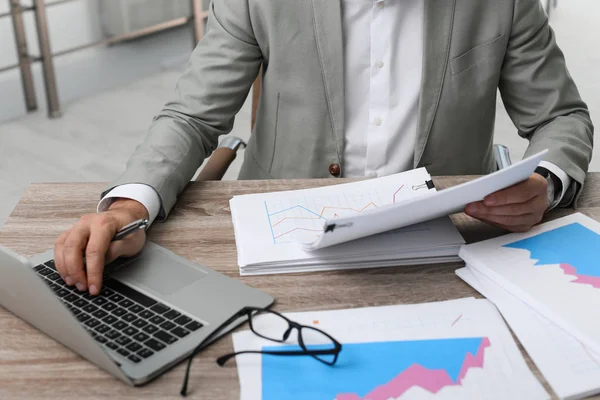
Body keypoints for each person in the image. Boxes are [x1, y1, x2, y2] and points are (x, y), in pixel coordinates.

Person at [54, 0, 593, 295]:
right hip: (286, 246)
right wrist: (130, 207)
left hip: (445, 250)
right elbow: (194, 115)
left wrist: (547, 183)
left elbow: (560, 117)